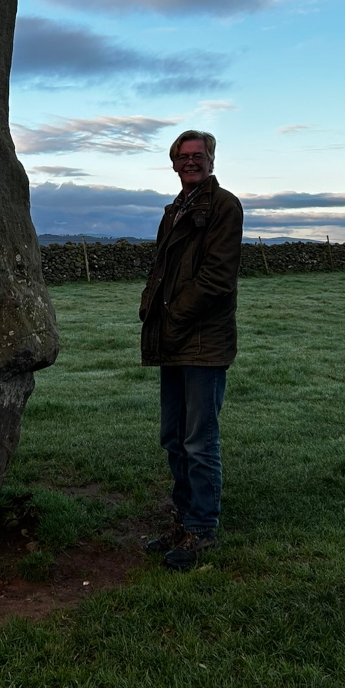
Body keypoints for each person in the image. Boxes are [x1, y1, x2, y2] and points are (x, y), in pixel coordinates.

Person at [139, 129, 244, 572]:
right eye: (183, 157)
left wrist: (174, 317)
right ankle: (182, 520)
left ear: (212, 158)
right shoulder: (175, 210)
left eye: (198, 155)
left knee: (199, 440)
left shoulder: (224, 206)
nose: (190, 162)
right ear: (173, 162)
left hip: (203, 340)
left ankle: (201, 528)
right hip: (175, 338)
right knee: (173, 436)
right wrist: (153, 311)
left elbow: (217, 278)